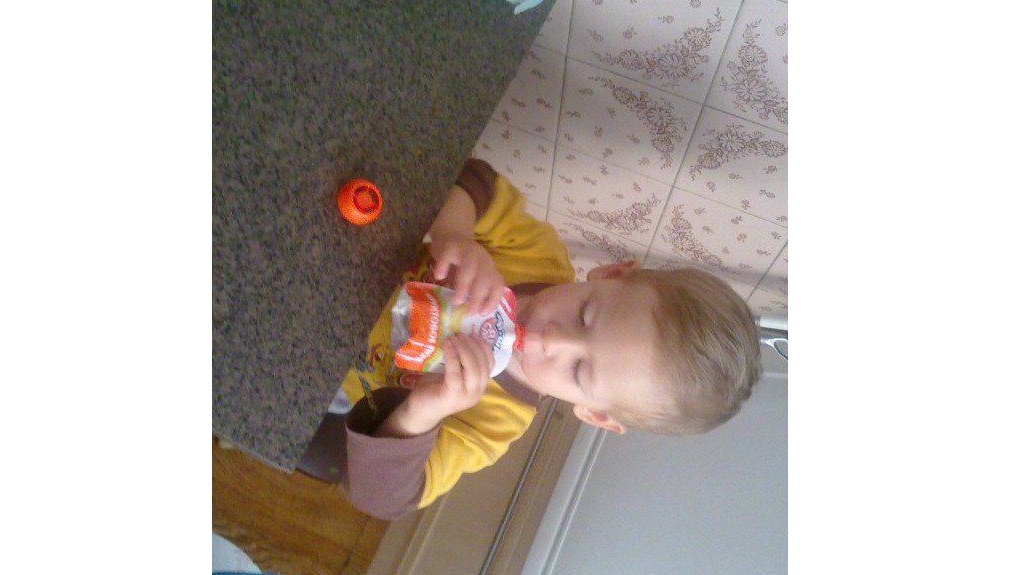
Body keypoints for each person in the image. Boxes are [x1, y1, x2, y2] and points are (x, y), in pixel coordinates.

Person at [298, 159, 762, 520]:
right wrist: (456, 233)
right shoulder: (538, 257)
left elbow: (378, 497)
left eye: (578, 371)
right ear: (610, 273)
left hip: (310, 358)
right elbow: (474, 177)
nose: (550, 341)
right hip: (333, 249)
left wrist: (424, 410)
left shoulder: (494, 423)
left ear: (594, 414)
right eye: (585, 314)